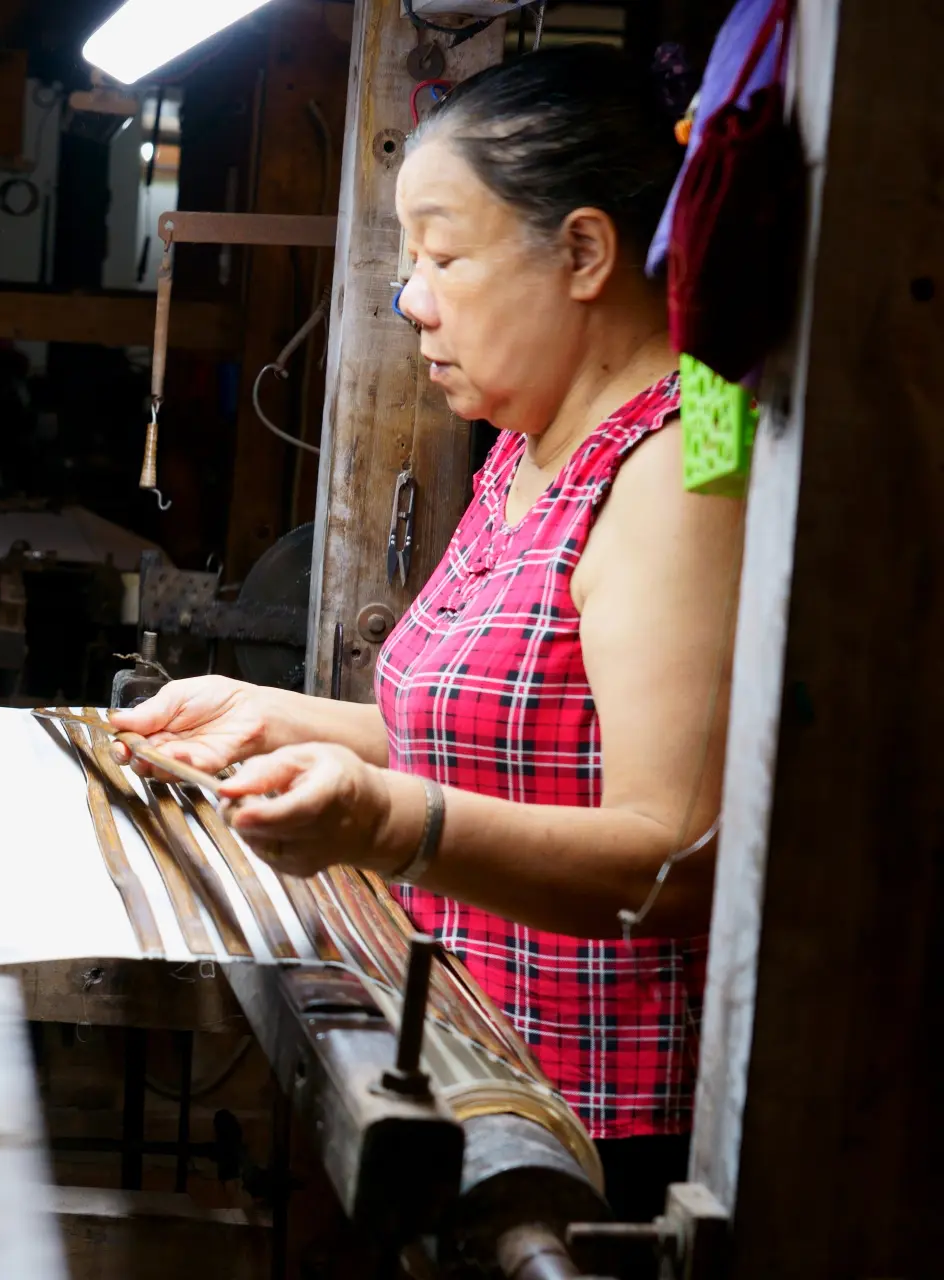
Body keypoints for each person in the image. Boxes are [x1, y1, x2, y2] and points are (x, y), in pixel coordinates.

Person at [110, 45, 742, 1222]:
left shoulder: (681, 472)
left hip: (601, 1146)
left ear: (587, 253)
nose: (412, 301)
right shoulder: (527, 449)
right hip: (472, 1064)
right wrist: (272, 716)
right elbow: (517, 737)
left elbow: (673, 856)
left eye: (445, 256)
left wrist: (381, 820)